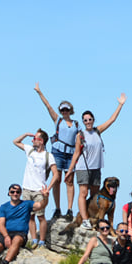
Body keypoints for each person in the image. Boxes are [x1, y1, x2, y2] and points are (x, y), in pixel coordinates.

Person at [72, 94, 126, 224]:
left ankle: (93, 218)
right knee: (83, 193)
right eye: (85, 120)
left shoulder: (97, 131)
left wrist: (120, 105)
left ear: (93, 120)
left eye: (90, 119)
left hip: (96, 168)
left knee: (95, 196)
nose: (88, 122)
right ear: (83, 122)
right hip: (83, 168)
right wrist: (70, 170)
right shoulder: (81, 135)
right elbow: (76, 153)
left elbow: (111, 120)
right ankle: (84, 219)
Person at [34, 84, 81, 220]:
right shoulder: (58, 120)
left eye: (67, 109)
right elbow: (48, 106)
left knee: (70, 181)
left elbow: (80, 140)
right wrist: (39, 92)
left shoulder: (77, 124)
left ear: (70, 110)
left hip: (71, 153)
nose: (65, 112)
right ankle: (57, 208)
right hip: (58, 152)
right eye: (63, 110)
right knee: (57, 179)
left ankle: (70, 209)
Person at [12, 131, 54, 243]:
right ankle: (34, 239)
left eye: (35, 138)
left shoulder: (48, 156)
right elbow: (15, 141)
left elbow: (56, 174)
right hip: (27, 188)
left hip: (39, 190)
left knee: (40, 216)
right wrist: (25, 134)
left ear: (41, 141)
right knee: (30, 216)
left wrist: (48, 188)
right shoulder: (30, 150)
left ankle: (42, 240)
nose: (32, 140)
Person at [0, 184, 33, 264]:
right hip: (6, 233)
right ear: (9, 193)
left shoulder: (27, 204)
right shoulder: (3, 207)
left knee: (17, 239)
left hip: (20, 233)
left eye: (17, 192)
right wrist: (6, 237)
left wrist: (45, 198)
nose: (15, 194)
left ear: (20, 193)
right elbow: (1, 224)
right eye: (12, 192)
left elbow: (40, 205)